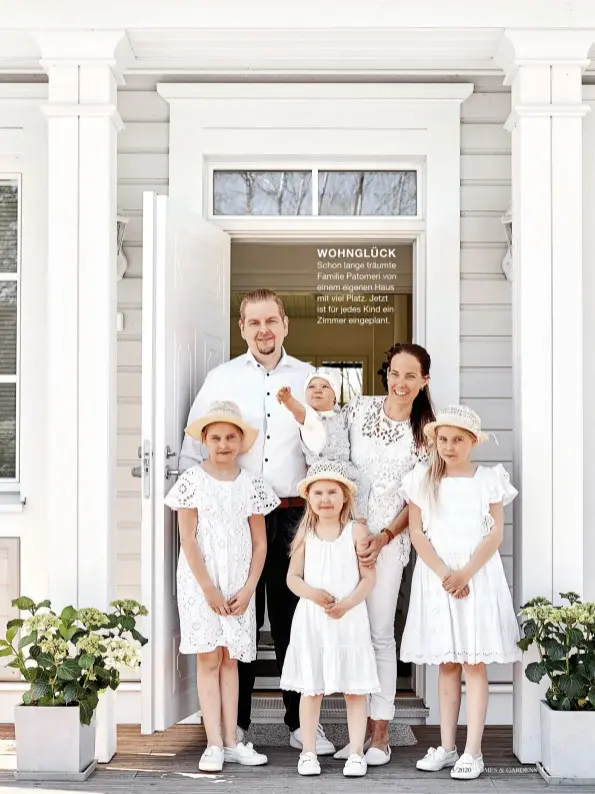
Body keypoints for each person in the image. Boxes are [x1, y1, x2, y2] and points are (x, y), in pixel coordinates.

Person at [179, 289, 335, 755]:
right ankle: (237, 726)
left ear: (285, 324)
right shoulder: (220, 379)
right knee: (241, 620)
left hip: (292, 515)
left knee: (294, 622)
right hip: (233, 519)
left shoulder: (309, 379)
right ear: (242, 328)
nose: (263, 330)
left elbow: (325, 449)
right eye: (254, 323)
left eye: (272, 320)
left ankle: (299, 724)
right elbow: (192, 455)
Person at [399, 405, 521, 781]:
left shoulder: (489, 479)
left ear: (472, 442)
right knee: (447, 662)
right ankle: (448, 746)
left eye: (457, 440)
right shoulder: (423, 479)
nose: (449, 446)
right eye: (443, 439)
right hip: (438, 577)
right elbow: (417, 532)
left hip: (476, 576)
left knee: (473, 662)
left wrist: (465, 572)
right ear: (434, 441)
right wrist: (444, 574)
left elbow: (495, 533)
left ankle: (474, 751)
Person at [334, 343, 435, 765]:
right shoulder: (358, 411)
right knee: (347, 632)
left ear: (424, 381)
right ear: (386, 374)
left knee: (378, 633)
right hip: (345, 535)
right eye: (395, 373)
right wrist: (351, 524)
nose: (401, 382)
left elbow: (419, 498)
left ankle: (381, 734)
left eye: (411, 376)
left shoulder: (427, 430)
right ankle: (355, 735)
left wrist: (385, 536)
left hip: (390, 543)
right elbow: (334, 458)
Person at [164, 401, 278, 772]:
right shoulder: (192, 482)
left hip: (238, 586)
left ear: (242, 441)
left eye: (231, 437)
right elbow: (189, 541)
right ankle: (212, 742)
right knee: (210, 657)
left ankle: (232, 740)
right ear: (205, 441)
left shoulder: (251, 485)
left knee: (232, 660)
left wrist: (248, 590)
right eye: (216, 437)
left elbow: (260, 544)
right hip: (203, 584)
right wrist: (208, 590)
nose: (224, 444)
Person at [280, 460, 379, 778]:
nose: (325, 498)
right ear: (308, 497)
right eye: (318, 492)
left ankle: (355, 751)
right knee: (311, 688)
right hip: (314, 619)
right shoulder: (305, 532)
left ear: (344, 497)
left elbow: (368, 579)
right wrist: (311, 593)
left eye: (332, 492)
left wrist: (346, 604)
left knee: (354, 689)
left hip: (348, 618)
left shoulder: (356, 530)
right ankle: (308, 752)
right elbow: (292, 577)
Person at [277, 367, 369, 517]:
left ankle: (358, 519)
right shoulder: (311, 418)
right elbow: (299, 411)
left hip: (343, 468)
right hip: (322, 472)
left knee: (362, 483)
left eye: (325, 387)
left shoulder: (341, 416)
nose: (317, 390)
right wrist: (288, 400)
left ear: (335, 397)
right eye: (311, 387)